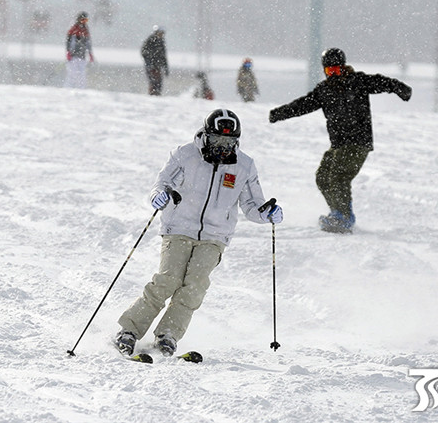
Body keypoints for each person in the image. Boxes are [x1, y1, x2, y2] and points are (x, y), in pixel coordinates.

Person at [114, 109, 283, 357]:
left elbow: (252, 205)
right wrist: (157, 197)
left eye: (229, 142)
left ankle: (168, 335)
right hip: (179, 227)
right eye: (217, 140)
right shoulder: (185, 155)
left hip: (215, 236)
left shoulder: (244, 165)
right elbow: (161, 184)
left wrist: (267, 214)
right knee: (167, 280)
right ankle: (128, 331)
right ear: (205, 136)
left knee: (195, 286)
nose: (223, 147)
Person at [268, 48, 412, 233]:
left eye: (337, 70)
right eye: (330, 71)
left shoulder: (358, 81)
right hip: (338, 144)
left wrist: (401, 88)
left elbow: (383, 82)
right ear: (325, 71)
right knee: (322, 177)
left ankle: (344, 217)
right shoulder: (324, 90)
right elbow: (302, 105)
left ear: (344, 67)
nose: (334, 75)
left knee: (339, 176)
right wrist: (278, 114)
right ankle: (337, 212)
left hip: (358, 142)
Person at [64, 12, 94, 89]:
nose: (84, 22)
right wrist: (68, 52)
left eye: (86, 20)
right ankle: (68, 88)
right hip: (73, 56)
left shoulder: (85, 30)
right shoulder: (73, 29)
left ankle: (81, 89)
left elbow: (88, 43)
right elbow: (68, 42)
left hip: (82, 56)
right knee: (72, 74)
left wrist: (90, 53)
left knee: (82, 74)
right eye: (83, 20)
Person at [141, 25, 169, 96]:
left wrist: (166, 68)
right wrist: (150, 60)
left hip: (158, 66)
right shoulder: (150, 40)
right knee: (153, 81)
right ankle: (152, 95)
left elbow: (163, 56)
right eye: (160, 33)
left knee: (158, 82)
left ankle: (157, 94)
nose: (161, 35)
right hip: (151, 66)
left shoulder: (161, 42)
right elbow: (144, 51)